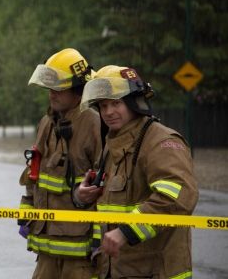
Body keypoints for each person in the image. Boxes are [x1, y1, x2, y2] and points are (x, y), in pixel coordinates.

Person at [75, 65, 199, 279]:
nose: (108, 112)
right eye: (103, 106)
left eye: (116, 103)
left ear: (135, 102)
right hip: (115, 269)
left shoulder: (161, 141)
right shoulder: (111, 144)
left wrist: (126, 231)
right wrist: (81, 195)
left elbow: (178, 198)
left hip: (156, 271)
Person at [19, 48, 102, 279]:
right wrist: (26, 214)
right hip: (45, 247)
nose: (51, 94)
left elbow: (105, 190)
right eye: (49, 88)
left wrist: (99, 239)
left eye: (59, 88)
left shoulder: (94, 124)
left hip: (80, 254)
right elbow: (33, 175)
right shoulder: (47, 122)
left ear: (78, 89)